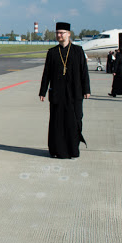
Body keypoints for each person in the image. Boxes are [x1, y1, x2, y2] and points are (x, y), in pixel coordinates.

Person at [39, 22, 91, 159]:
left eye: (62, 33)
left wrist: (87, 89)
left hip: (75, 93)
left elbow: (84, 72)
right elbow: (46, 74)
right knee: (57, 122)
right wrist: (42, 91)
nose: (59, 35)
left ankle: (73, 150)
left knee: (75, 121)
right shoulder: (52, 52)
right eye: (57, 33)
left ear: (69, 34)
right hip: (57, 94)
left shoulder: (78, 51)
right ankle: (57, 150)